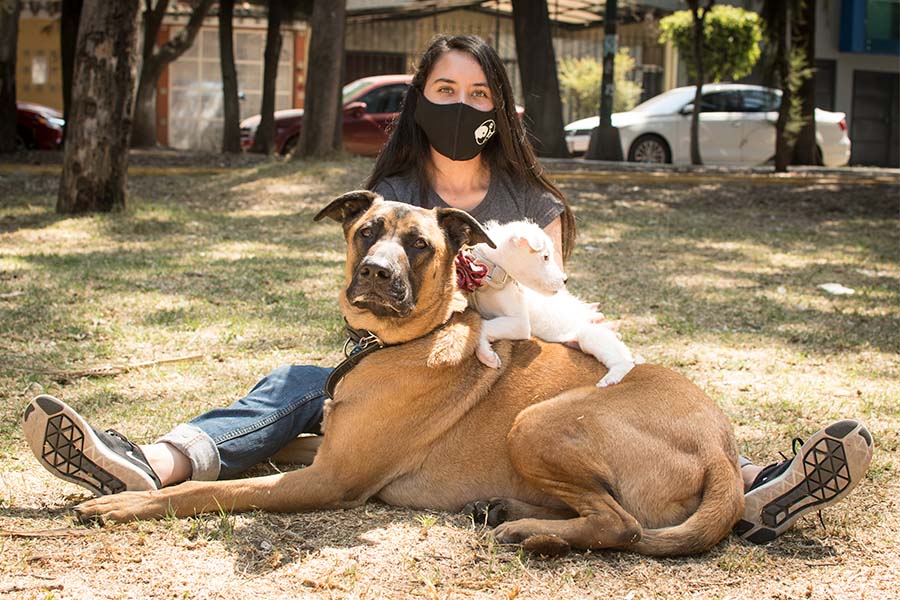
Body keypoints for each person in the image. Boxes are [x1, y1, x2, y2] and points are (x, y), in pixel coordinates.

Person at [21, 35, 872, 545]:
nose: (460, 107)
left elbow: (555, 316)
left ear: (499, 108)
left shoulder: (534, 205)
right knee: (293, 387)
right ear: (419, 101)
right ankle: (150, 462)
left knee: (557, 420)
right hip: (395, 363)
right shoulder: (393, 184)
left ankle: (748, 486)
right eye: (443, 92)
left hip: (512, 375)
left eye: (477, 95)